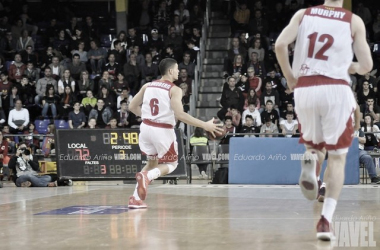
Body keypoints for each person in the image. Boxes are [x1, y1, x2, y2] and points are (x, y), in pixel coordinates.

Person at [275, 0, 373, 241]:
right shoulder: (353, 20)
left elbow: (280, 44)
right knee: (338, 158)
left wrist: (289, 76)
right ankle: (325, 221)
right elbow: (367, 65)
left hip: (306, 88)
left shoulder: (303, 14)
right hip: (336, 89)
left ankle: (310, 161)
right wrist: (350, 66)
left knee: (314, 147)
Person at [127, 58, 222, 209]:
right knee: (172, 164)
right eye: (177, 69)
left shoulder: (147, 85)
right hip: (162, 130)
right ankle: (146, 176)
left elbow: (132, 106)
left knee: (152, 163)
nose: (179, 71)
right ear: (170, 71)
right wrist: (205, 125)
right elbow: (181, 115)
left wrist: (148, 117)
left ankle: (135, 199)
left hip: (145, 128)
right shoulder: (175, 89)